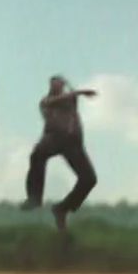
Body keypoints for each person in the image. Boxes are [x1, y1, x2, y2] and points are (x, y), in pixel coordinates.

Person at [20, 75, 98, 232]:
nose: (59, 86)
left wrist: (74, 93)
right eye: (55, 83)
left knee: (89, 179)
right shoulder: (47, 101)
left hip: (73, 143)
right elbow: (52, 102)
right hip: (54, 137)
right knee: (37, 155)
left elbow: (71, 101)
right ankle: (34, 197)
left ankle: (62, 209)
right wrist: (78, 92)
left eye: (60, 83)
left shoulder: (70, 103)